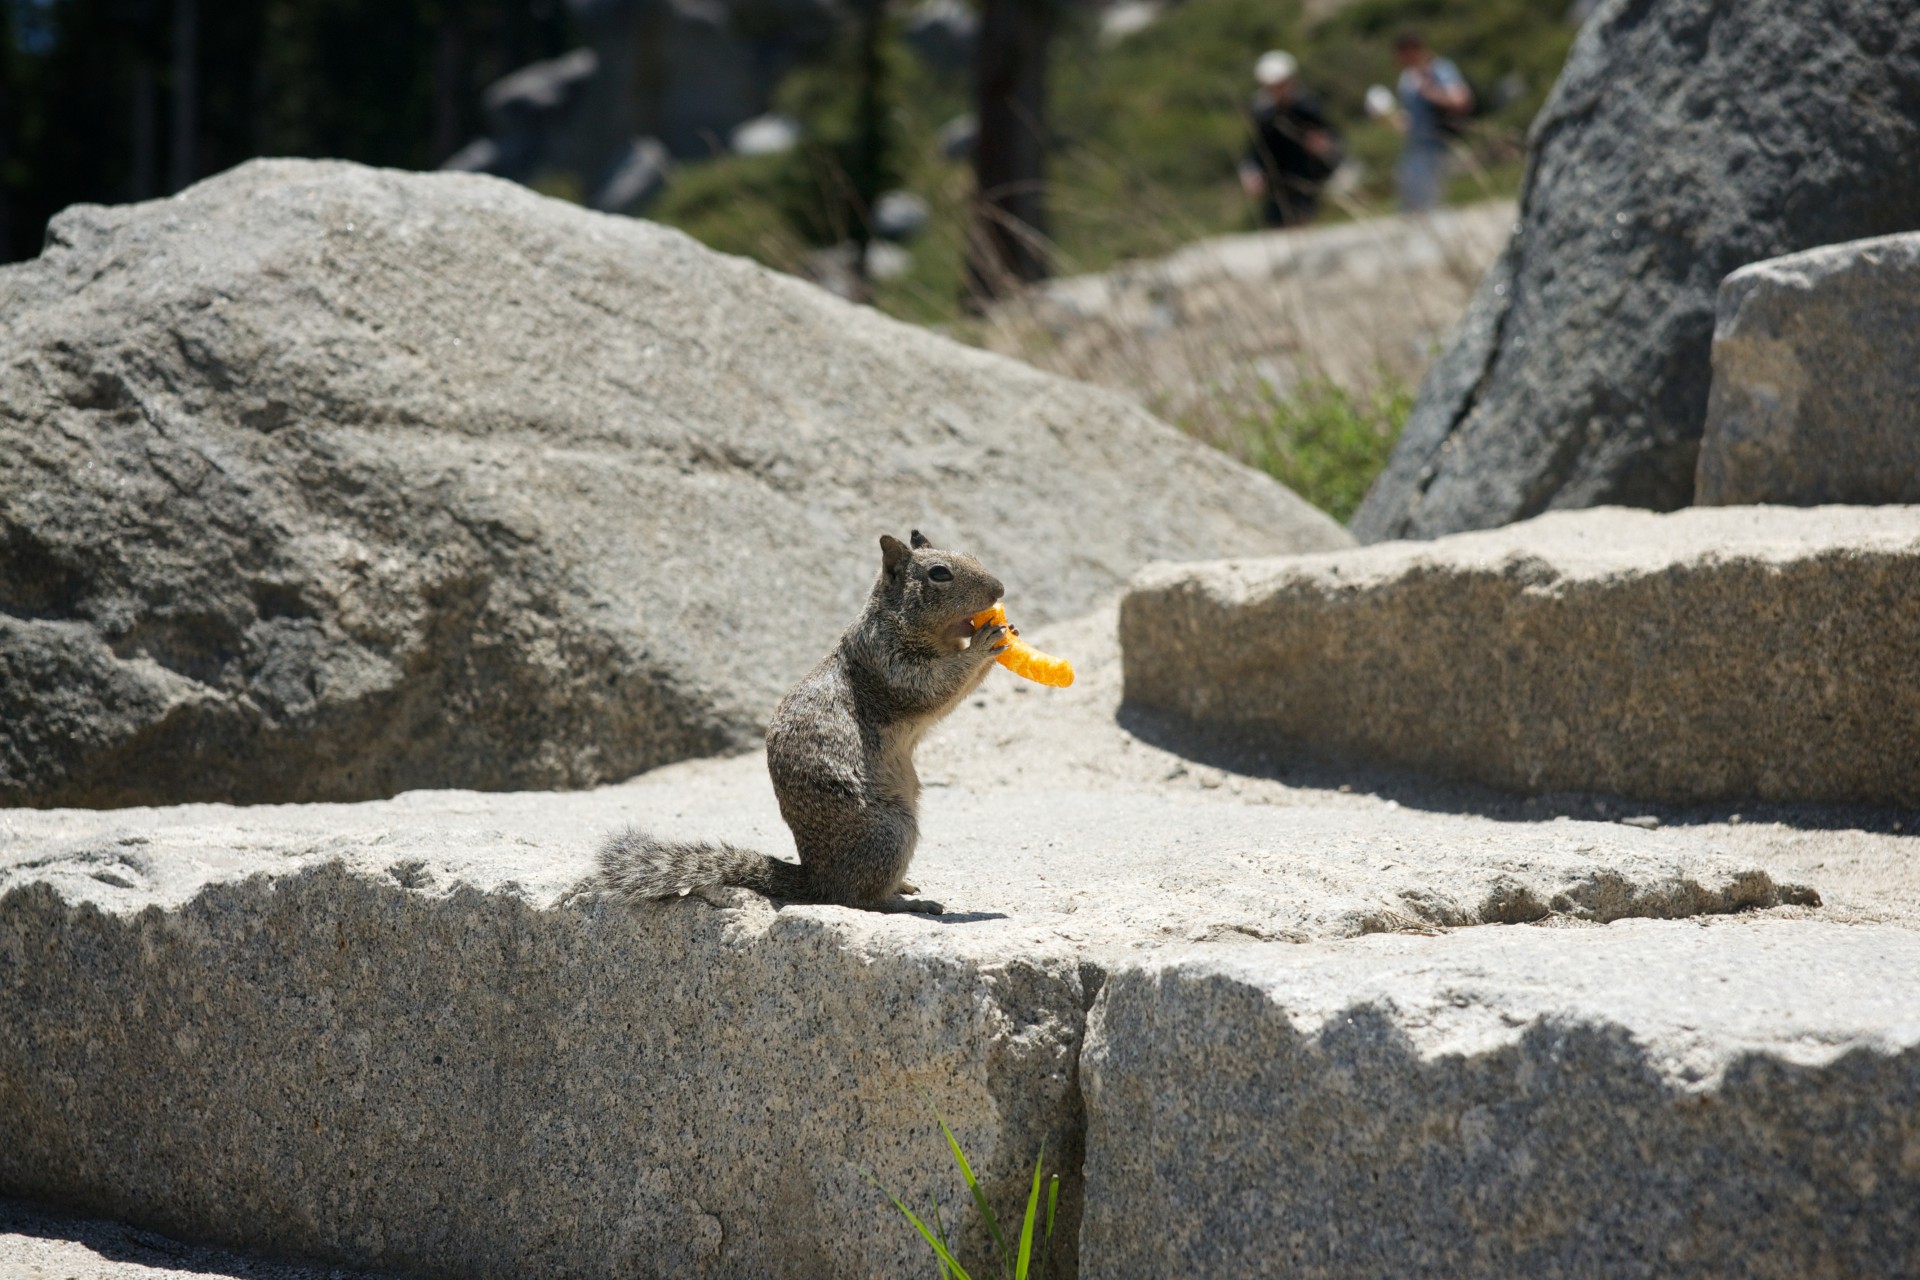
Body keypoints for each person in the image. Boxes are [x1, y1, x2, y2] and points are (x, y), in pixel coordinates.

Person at [1238, 50, 1341, 228]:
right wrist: (1251, 171)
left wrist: (1323, 145)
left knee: (1304, 217)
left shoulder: (1309, 105)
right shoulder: (1262, 112)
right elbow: (1256, 147)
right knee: (1276, 222)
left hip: (1307, 176)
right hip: (1277, 181)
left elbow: (1333, 136)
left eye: (1281, 84)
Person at [1390, 32, 1472, 213]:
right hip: (1414, 145)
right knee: (1409, 201)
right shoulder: (1406, 77)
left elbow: (1461, 100)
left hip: (1436, 143)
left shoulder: (1440, 69)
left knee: (1430, 201)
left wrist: (1431, 93)